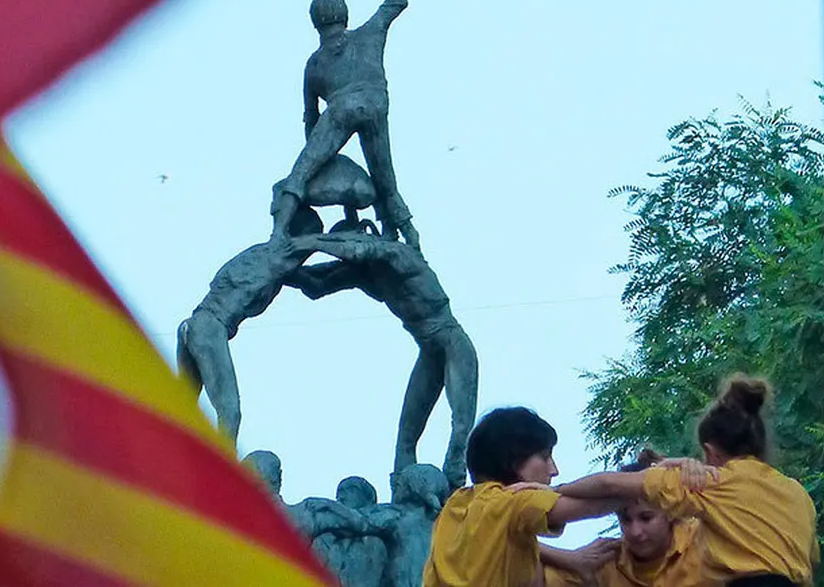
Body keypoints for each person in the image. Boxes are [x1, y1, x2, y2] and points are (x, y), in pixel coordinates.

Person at [553, 376, 819, 587]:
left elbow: (608, 484)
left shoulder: (713, 484)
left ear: (710, 452)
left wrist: (555, 491)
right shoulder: (797, 492)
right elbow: (811, 557)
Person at [285, 230, 477, 489]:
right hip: (429, 352)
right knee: (406, 435)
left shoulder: (398, 253)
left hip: (452, 343)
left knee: (461, 423)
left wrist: (309, 241)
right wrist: (281, 266)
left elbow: (357, 251)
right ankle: (404, 492)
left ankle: (455, 486)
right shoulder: (366, 273)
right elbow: (315, 286)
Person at [270, 0, 419, 249]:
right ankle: (406, 235)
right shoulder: (370, 33)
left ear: (315, 23)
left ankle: (278, 234)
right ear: (345, 14)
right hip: (376, 103)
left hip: (341, 110)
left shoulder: (313, 65)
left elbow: (311, 120)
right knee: (385, 177)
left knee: (300, 174)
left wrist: (319, 156)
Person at [422, 407, 621, 587]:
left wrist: (568, 558)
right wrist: (641, 483)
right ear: (514, 460)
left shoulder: (456, 504)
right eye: (544, 457)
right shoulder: (513, 501)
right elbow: (600, 500)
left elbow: (501, 537)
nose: (554, 470)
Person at [176, 207, 323, 442]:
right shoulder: (273, 257)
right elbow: (313, 257)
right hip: (209, 327)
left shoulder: (273, 264)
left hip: (195, 326)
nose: (308, 251)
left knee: (181, 406)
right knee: (230, 412)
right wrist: (349, 240)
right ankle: (222, 464)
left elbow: (316, 284)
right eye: (310, 238)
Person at [542, 450, 704, 587]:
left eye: (646, 518)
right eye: (626, 520)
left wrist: (695, 471)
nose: (635, 532)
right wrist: (567, 558)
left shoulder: (702, 540)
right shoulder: (604, 561)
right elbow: (531, 577)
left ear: (670, 512)